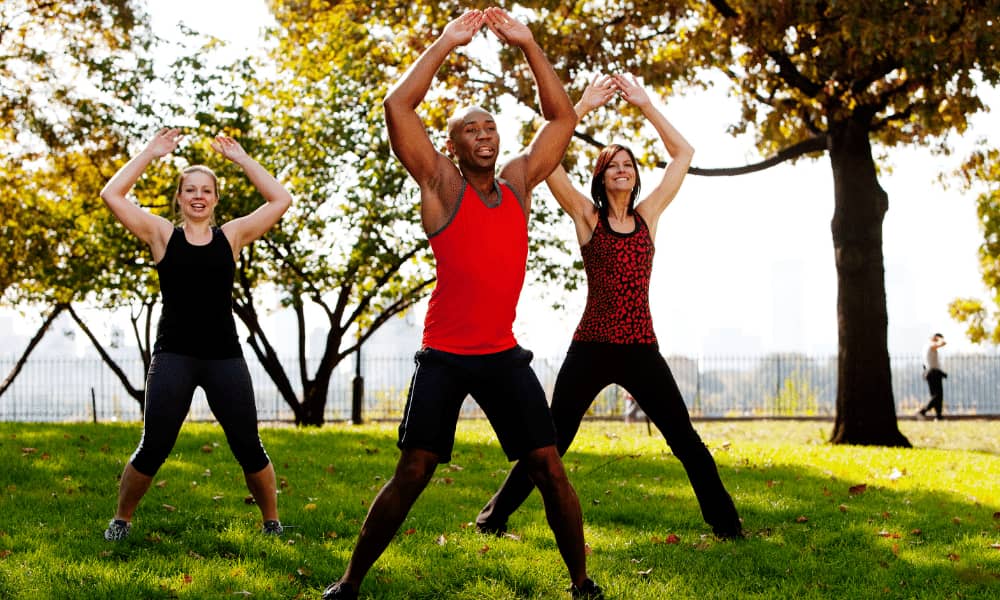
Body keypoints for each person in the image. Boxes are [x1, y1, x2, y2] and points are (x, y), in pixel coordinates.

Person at [321, 8, 603, 600]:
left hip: (502, 355)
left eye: (490, 129)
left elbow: (563, 117)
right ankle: (349, 583)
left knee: (549, 467)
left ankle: (582, 585)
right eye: (471, 131)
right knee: (415, 468)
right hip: (445, 356)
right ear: (451, 146)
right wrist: (446, 42)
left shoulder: (520, 184)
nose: (485, 136)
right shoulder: (442, 186)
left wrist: (527, 42)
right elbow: (399, 108)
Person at [475, 74, 745, 540]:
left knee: (685, 440)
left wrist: (645, 103)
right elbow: (546, 159)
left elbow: (683, 155)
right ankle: (492, 519)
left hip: (641, 347)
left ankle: (727, 527)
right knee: (550, 443)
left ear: (636, 175)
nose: (622, 169)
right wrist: (579, 106)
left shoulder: (649, 216)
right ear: (600, 176)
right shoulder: (587, 216)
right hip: (592, 347)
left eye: (629, 164)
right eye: (612, 164)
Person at [99, 128, 292, 541]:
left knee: (247, 445)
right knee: (154, 445)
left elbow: (281, 199)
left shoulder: (232, 237)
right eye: (190, 190)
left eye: (206, 190)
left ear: (216, 199)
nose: (198, 196)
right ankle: (121, 520)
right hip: (174, 356)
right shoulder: (162, 235)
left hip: (224, 355)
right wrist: (150, 153)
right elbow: (112, 195)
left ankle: (271, 522)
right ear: (181, 198)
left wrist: (242, 159)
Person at [918, 332, 948, 419]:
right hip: (933, 373)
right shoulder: (931, 345)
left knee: (937, 395)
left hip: (931, 372)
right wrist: (939, 338)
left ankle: (938, 415)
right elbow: (943, 343)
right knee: (937, 395)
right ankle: (923, 411)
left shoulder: (927, 347)